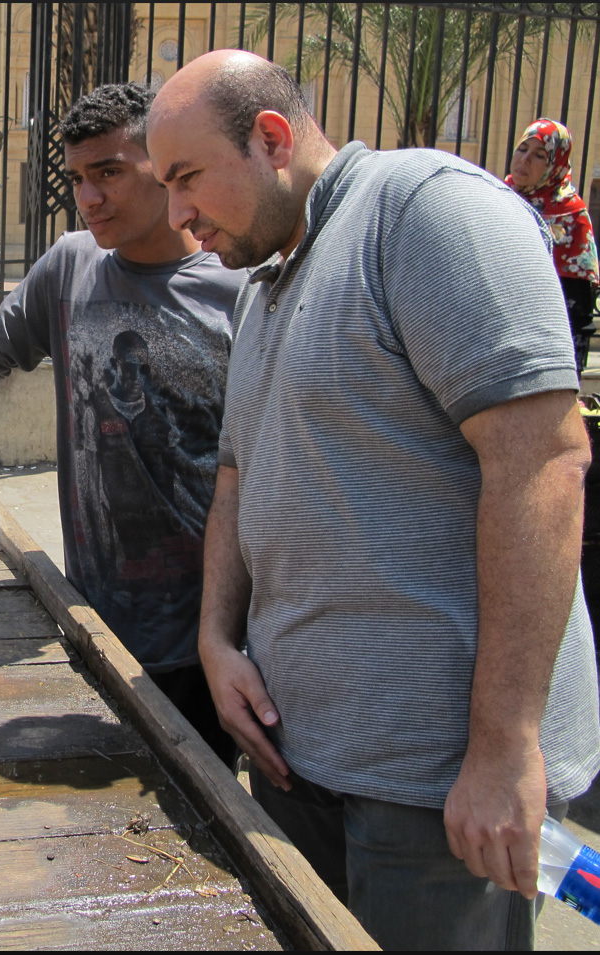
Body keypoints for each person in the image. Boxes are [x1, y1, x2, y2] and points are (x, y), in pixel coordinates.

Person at [147, 49, 600, 950]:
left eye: (186, 177)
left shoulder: (427, 212)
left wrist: (502, 748)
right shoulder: (264, 283)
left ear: (271, 139)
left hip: (436, 789)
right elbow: (237, 470)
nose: (176, 214)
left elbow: (543, 463)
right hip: (298, 757)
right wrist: (216, 639)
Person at [0, 83, 246, 765]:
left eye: (109, 172)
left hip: (203, 636)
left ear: (165, 164)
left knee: (196, 794)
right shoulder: (70, 267)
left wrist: (228, 636)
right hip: (92, 617)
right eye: (77, 179)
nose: (89, 197)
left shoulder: (238, 289)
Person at [506, 118, 599, 376]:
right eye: (522, 149)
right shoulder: (498, 196)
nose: (525, 160)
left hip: (546, 345)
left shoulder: (572, 215)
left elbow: (577, 308)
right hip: (496, 331)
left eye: (539, 155)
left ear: (555, 164)